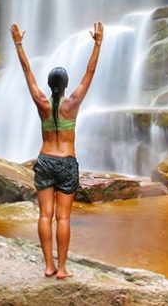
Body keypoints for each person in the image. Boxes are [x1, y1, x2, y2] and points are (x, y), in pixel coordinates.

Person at [10, 21, 103, 279]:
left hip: (45, 161)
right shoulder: (72, 104)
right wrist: (98, 42)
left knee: (45, 215)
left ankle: (47, 265)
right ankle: (62, 268)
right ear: (65, 85)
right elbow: (90, 72)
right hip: (66, 163)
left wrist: (18, 43)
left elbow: (27, 71)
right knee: (63, 218)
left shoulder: (41, 103)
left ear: (50, 85)